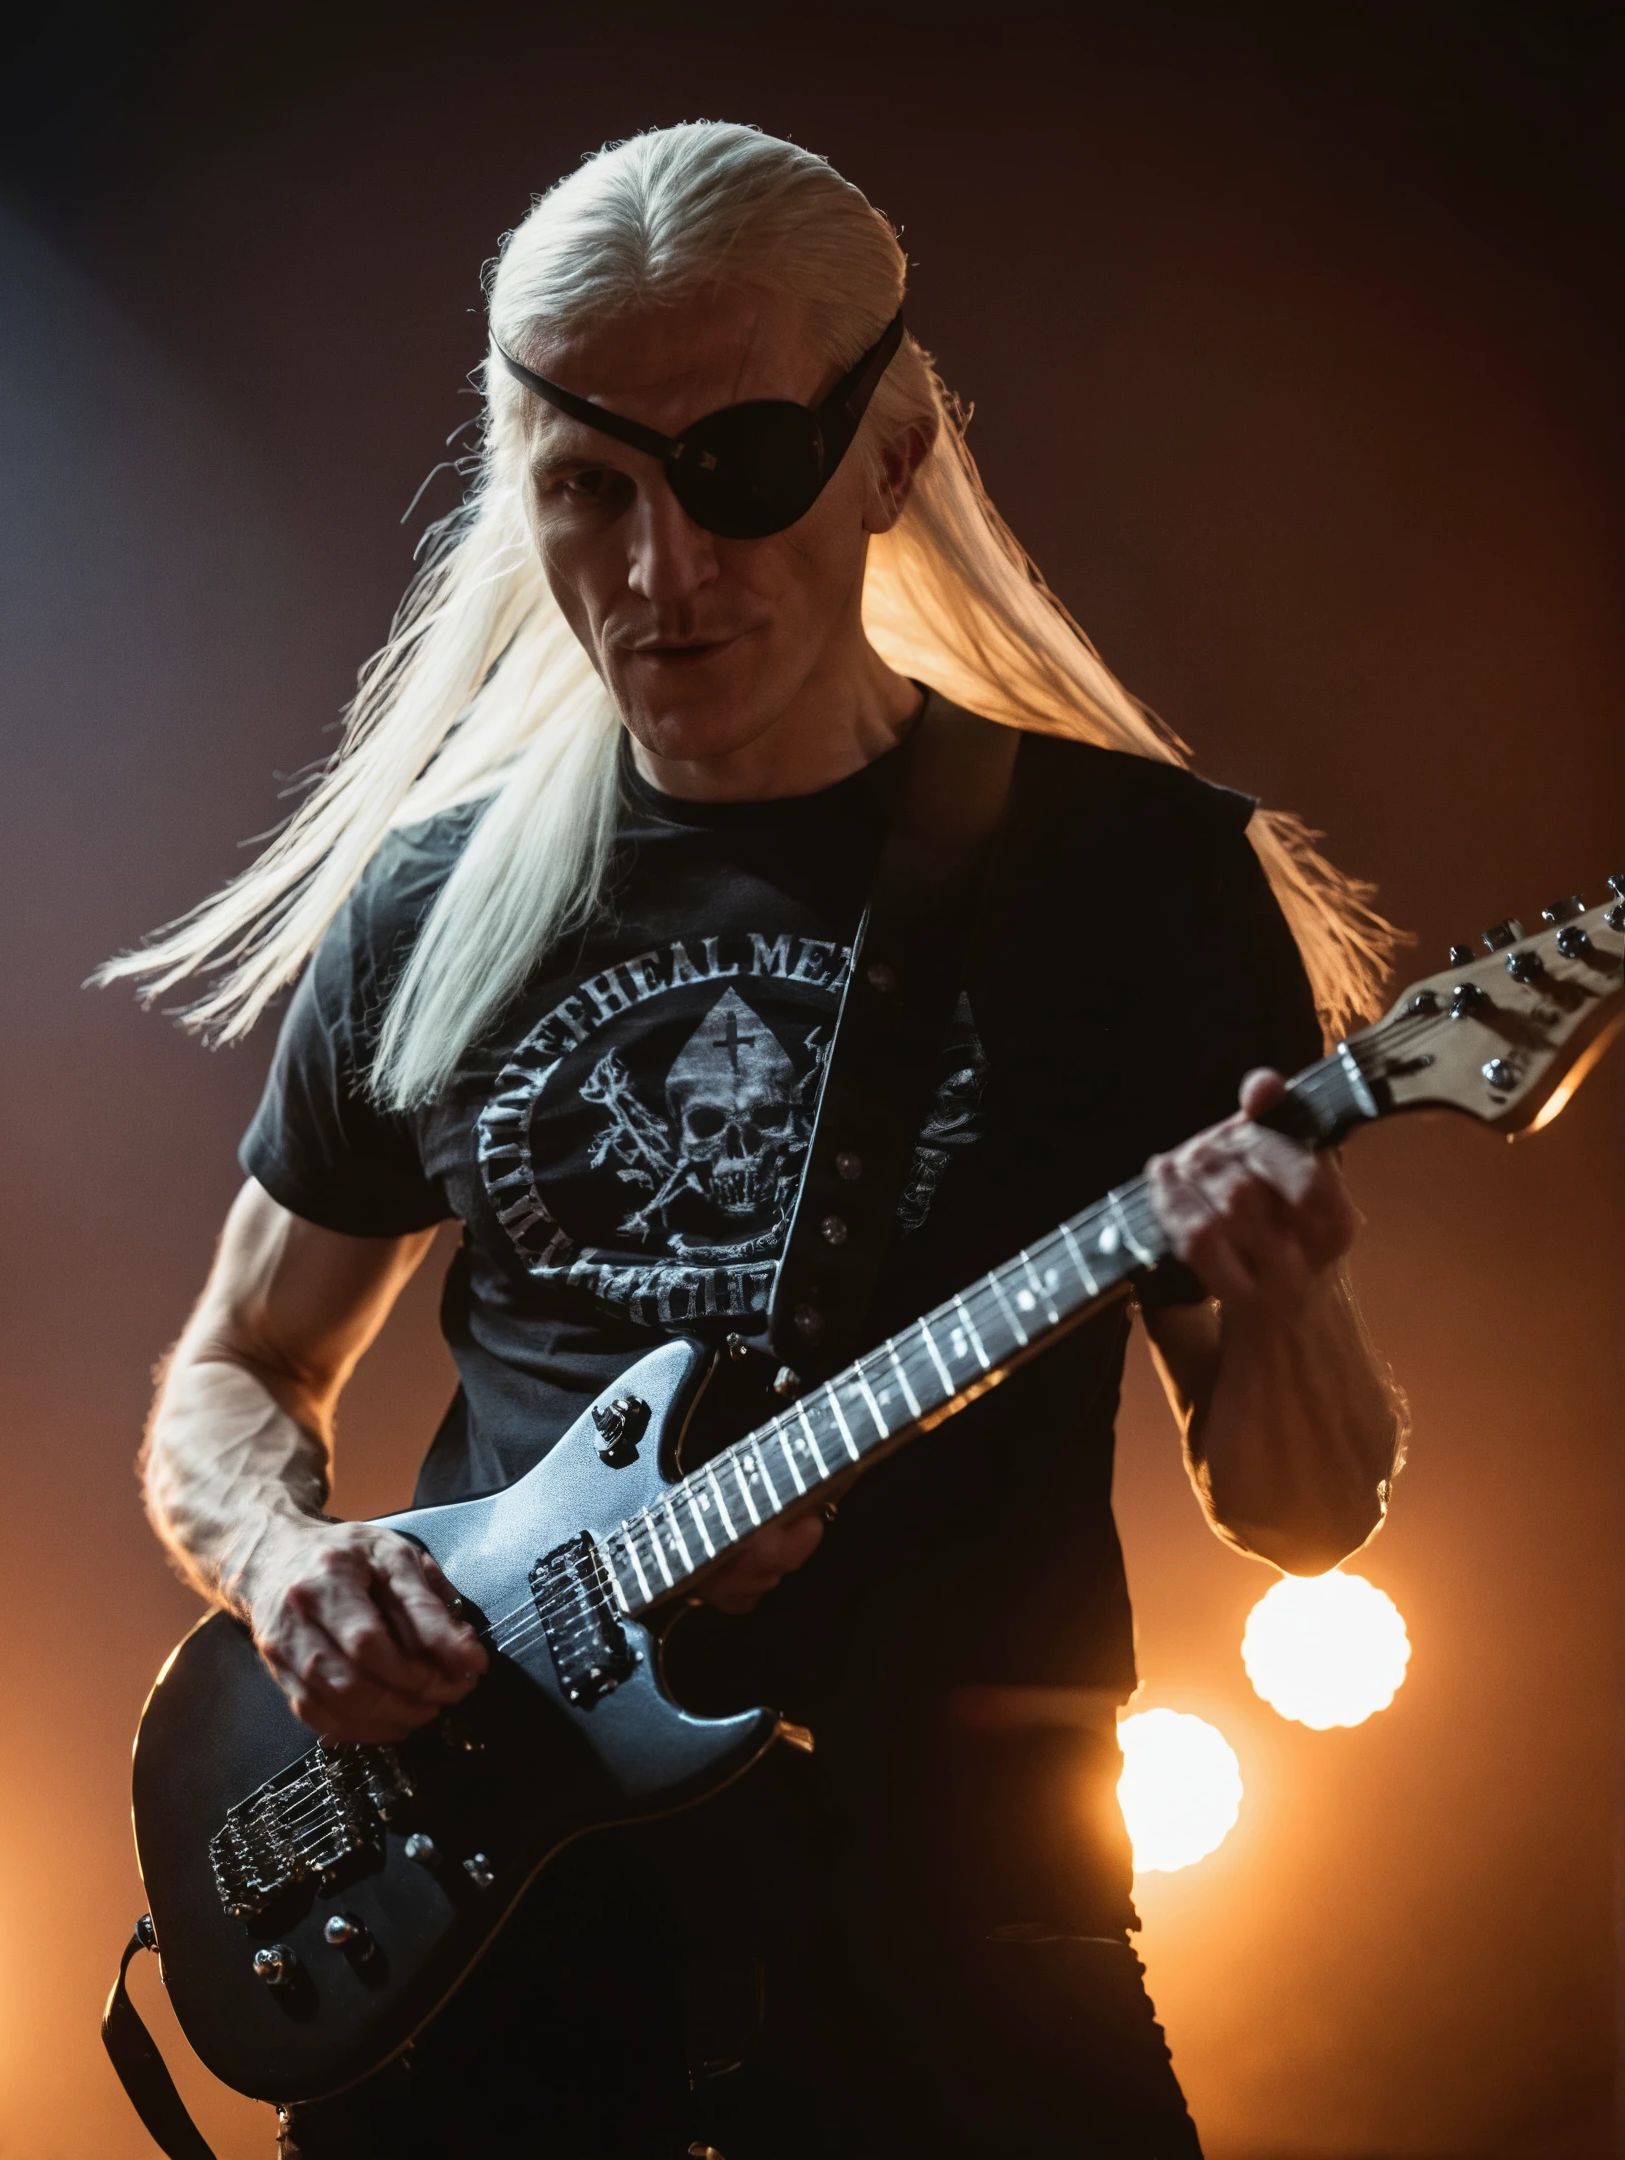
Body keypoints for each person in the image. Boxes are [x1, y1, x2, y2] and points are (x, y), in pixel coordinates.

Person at [104, 123, 1405, 2159]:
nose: (660, 577)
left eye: (738, 477)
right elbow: (234, 1375)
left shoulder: (1133, 885)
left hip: (967, 1946)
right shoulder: (436, 898)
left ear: (887, 460)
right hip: (481, 1952)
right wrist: (289, 1569)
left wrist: (1298, 1301)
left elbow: (1306, 1516)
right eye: (588, 496)